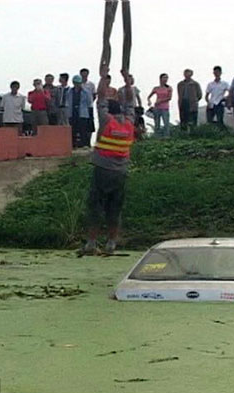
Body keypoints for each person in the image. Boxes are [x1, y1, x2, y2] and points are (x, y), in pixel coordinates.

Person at [80, 99, 136, 255]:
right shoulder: (129, 122)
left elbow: (100, 104)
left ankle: (91, 243)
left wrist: (104, 78)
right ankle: (111, 243)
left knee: (95, 206)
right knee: (115, 209)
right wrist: (127, 79)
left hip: (103, 170)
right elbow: (130, 104)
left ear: (109, 111)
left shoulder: (107, 120)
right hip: (121, 173)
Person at [66, 75, 94, 147]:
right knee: (73, 129)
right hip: (72, 112)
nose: (77, 84)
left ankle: (84, 144)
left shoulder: (86, 92)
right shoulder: (70, 91)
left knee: (83, 129)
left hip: (83, 113)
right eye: (75, 82)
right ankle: (73, 144)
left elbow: (89, 103)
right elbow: (68, 101)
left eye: (78, 83)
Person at [96, 65, 120, 135]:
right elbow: (100, 93)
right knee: (103, 124)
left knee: (112, 123)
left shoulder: (113, 90)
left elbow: (116, 99)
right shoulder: (101, 88)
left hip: (112, 107)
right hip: (103, 106)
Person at [80, 68, 97, 135]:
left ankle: (88, 140)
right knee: (81, 123)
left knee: (90, 124)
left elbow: (94, 95)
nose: (84, 75)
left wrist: (90, 102)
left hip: (89, 106)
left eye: (85, 74)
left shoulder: (91, 84)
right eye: (83, 74)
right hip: (80, 107)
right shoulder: (79, 84)